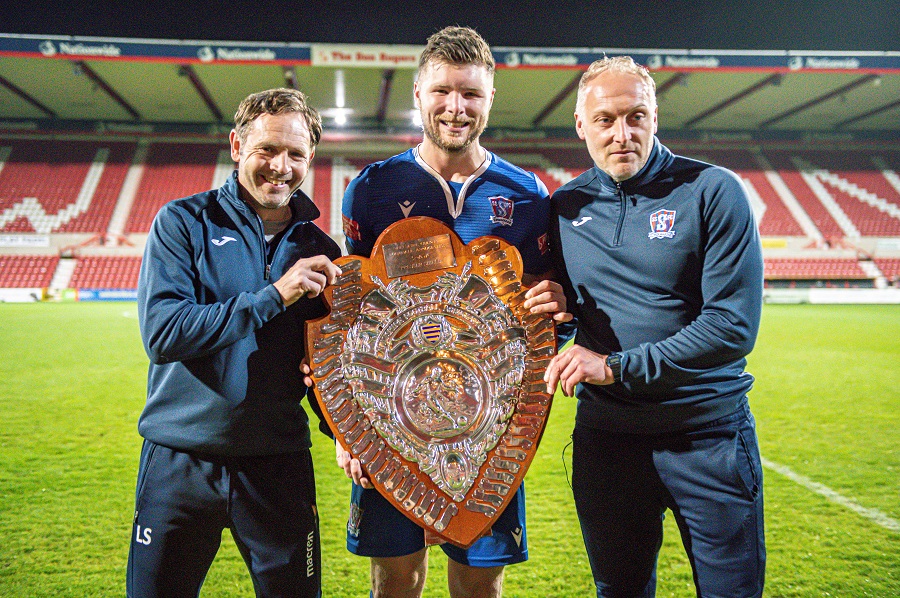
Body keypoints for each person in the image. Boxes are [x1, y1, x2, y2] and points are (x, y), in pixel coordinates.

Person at [339, 26, 569, 598]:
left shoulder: (527, 195)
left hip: (484, 433)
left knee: (478, 587)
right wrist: (351, 432)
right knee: (394, 582)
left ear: (490, 99)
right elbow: (350, 320)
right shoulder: (371, 189)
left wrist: (558, 312)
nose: (455, 106)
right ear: (418, 93)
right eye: (442, 90)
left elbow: (540, 319)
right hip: (393, 426)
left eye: (470, 93)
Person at [544, 56, 766, 597]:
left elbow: (732, 326)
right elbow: (564, 322)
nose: (622, 134)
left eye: (636, 117)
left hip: (707, 438)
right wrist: (552, 310)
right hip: (609, 443)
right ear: (581, 125)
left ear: (655, 118)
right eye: (605, 120)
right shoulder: (564, 207)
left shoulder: (714, 190)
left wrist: (616, 367)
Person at [128, 88, 342, 598]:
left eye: (295, 154)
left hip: (278, 462)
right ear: (236, 145)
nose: (281, 166)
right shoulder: (183, 223)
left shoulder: (320, 250)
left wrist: (353, 435)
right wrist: (273, 296)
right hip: (180, 461)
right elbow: (163, 333)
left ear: (310, 158)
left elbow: (327, 365)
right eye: (266, 149)